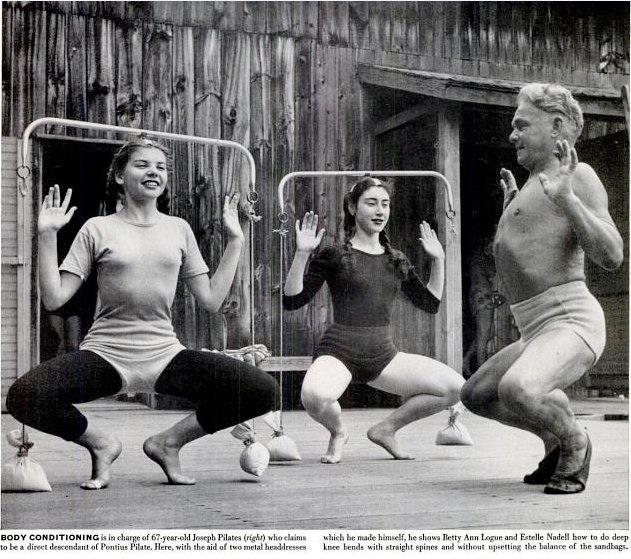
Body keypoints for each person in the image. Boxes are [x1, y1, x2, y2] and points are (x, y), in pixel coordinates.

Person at [6, 138, 278, 489]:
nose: (153, 172)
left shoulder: (178, 229)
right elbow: (54, 299)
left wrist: (236, 242)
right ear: (120, 176)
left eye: (160, 167)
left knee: (263, 390)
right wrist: (46, 236)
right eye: (142, 164)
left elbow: (211, 300)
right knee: (23, 395)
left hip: (164, 354)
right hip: (106, 353)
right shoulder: (97, 228)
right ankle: (101, 443)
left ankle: (169, 443)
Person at [461, 84, 623, 494]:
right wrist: (513, 213)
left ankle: (574, 440)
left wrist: (568, 200)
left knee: (518, 388)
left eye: (521, 125)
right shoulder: (532, 184)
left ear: (556, 127)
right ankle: (553, 441)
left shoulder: (577, 176)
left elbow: (612, 255)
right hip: (534, 329)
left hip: (571, 321)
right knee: (477, 395)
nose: (512, 134)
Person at [283, 177, 464, 464]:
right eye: (371, 203)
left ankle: (386, 430)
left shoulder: (396, 260)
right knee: (314, 396)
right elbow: (292, 300)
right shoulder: (334, 255)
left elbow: (430, 304)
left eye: (385, 204)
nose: (380, 211)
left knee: (456, 388)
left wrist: (438, 260)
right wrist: (302, 254)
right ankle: (338, 431)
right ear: (353, 208)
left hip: (383, 355)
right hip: (339, 351)